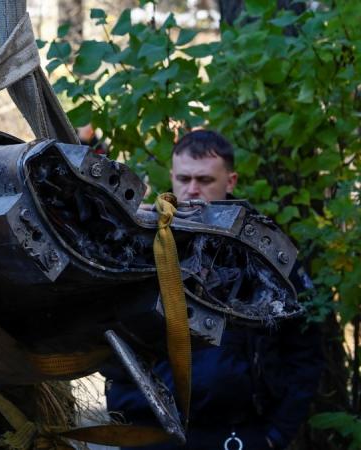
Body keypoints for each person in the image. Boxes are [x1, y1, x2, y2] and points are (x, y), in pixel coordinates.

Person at [106, 130, 323, 449]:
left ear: (230, 181)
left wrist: (275, 435)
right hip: (150, 431)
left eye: (205, 180)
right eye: (184, 178)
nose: (192, 191)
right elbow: (106, 331)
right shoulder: (138, 242)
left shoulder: (265, 250)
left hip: (236, 434)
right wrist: (124, 407)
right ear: (172, 177)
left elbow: (305, 347)